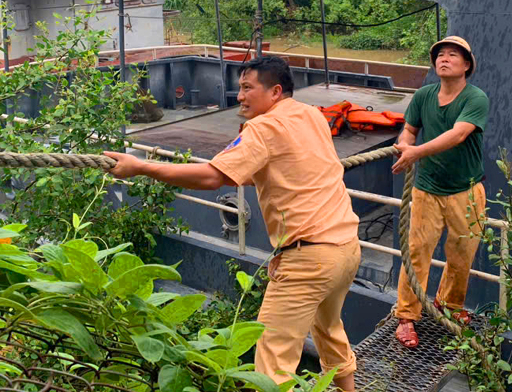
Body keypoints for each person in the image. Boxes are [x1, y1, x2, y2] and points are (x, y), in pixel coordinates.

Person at [103, 56, 361, 390]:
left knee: (272, 362)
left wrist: (141, 167)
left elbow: (212, 177)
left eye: (246, 88)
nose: (239, 96)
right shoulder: (312, 115)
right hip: (346, 248)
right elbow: (293, 168)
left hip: (308, 259)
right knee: (329, 331)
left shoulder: (264, 127)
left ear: (275, 92)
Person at [390, 36, 489, 349]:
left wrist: (415, 153)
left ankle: (448, 305)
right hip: (427, 189)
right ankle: (406, 316)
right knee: (417, 251)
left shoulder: (475, 98)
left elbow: (458, 134)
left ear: (467, 65)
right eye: (440, 55)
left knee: (461, 255)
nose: (444, 59)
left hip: (467, 191)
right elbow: (410, 129)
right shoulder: (423, 95)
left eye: (453, 55)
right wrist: (405, 143)